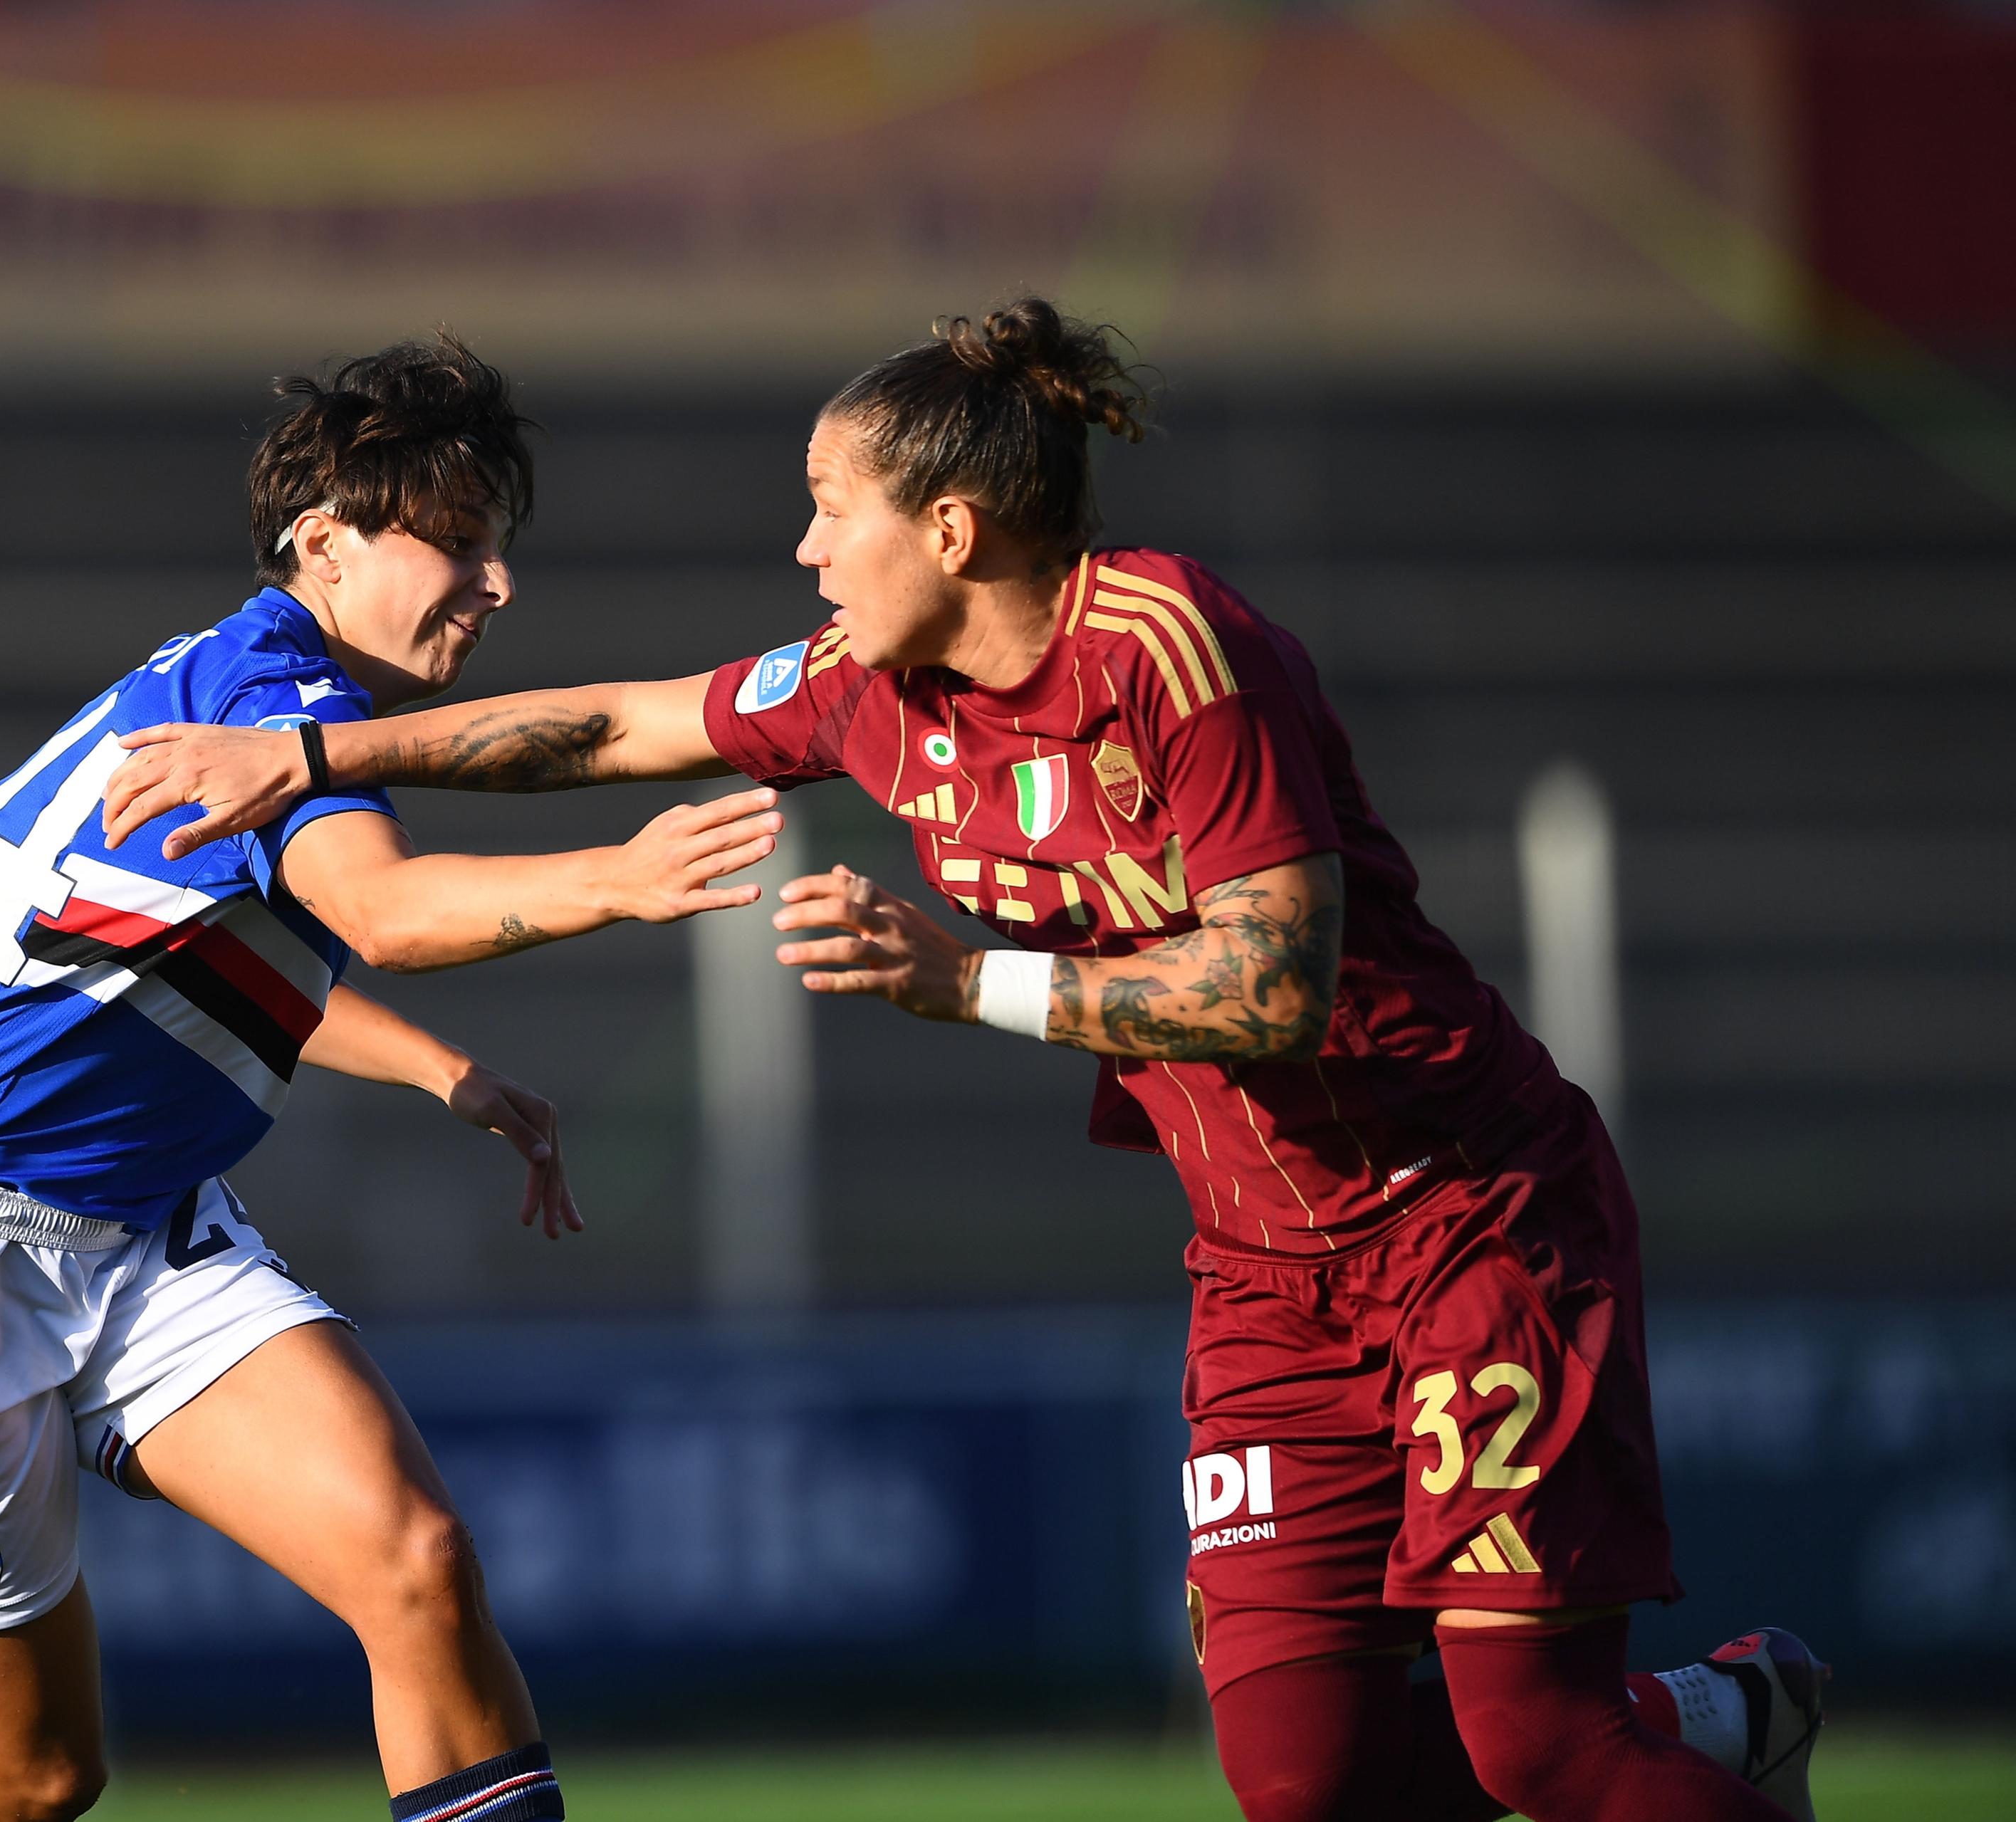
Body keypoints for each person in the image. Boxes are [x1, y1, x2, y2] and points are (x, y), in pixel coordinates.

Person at [96, 301, 1830, 1822]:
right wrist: (309, 751)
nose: (805, 551)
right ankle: (1720, 1724)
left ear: (952, 521)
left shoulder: (1174, 652)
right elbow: (619, 721)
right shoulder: (866, 684)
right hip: (1266, 1276)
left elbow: (1275, 992)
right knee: (1307, 1779)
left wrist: (963, 980)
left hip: (1467, 1219)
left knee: (1530, 1745)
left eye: (830, 509)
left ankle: (1695, 1727)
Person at [0, 335, 780, 1822]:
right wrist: (616, 882)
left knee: (418, 1561)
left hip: (143, 1228)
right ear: (324, 543)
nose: (497, 585)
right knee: (34, 1772)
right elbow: (385, 916)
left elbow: (196, 969)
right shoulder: (262, 704)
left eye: (502, 546)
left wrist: (440, 1069)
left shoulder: (280, 703)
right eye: (463, 544)